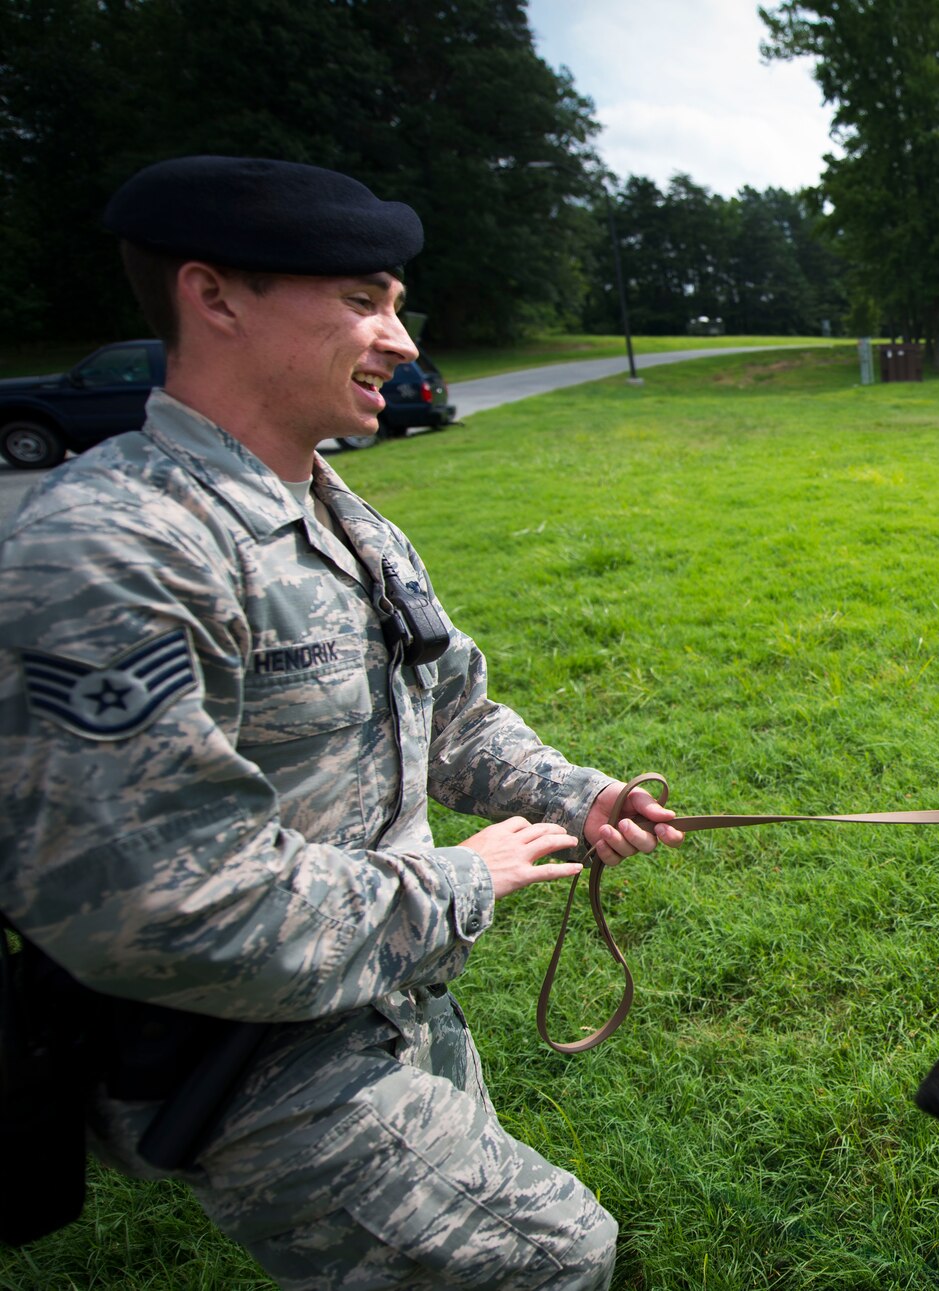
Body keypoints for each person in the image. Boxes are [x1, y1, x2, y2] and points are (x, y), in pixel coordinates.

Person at [0, 156, 680, 1285]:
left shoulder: (342, 515)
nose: (402, 342)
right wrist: (464, 881)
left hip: (382, 991)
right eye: (364, 301)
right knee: (557, 1259)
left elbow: (448, 708)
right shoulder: (115, 551)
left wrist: (576, 794)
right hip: (249, 1058)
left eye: (396, 306)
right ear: (213, 297)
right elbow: (162, 904)